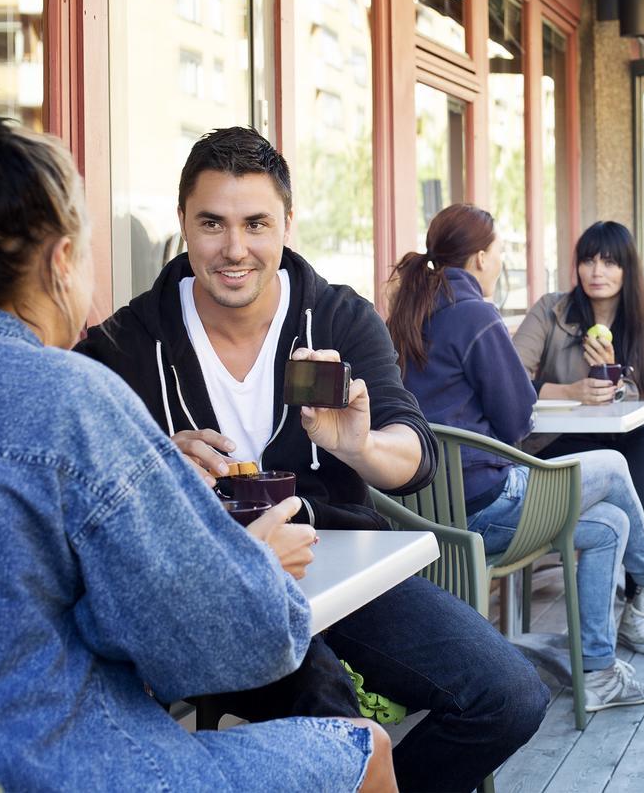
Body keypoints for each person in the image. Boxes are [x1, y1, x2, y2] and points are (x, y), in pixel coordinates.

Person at [0, 73, 395, 791]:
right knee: (365, 745)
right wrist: (251, 564)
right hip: (65, 763)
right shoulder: (77, 393)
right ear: (62, 260)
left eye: (256, 224)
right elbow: (218, 643)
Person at [75, 128, 547, 792]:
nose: (234, 248)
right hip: (216, 595)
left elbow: (415, 456)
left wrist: (358, 444)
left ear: (287, 225)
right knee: (337, 724)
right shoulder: (127, 343)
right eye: (212, 223)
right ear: (183, 223)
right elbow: (70, 480)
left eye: (256, 223)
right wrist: (150, 459)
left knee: (509, 696)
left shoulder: (337, 317)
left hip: (343, 569)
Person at [386, 204, 644, 710]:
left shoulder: (414, 310)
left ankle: (599, 671)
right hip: (486, 505)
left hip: (423, 505)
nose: (500, 263)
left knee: (608, 525)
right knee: (616, 466)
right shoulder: (475, 314)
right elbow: (518, 419)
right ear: (479, 258)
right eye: (498, 253)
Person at [512, 221, 644, 656]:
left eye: (609, 261)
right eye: (588, 260)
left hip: (616, 444)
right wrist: (569, 392)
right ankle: (642, 599)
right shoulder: (551, 311)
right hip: (552, 445)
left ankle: (635, 601)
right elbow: (511, 380)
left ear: (627, 269)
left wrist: (614, 377)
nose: (596, 271)